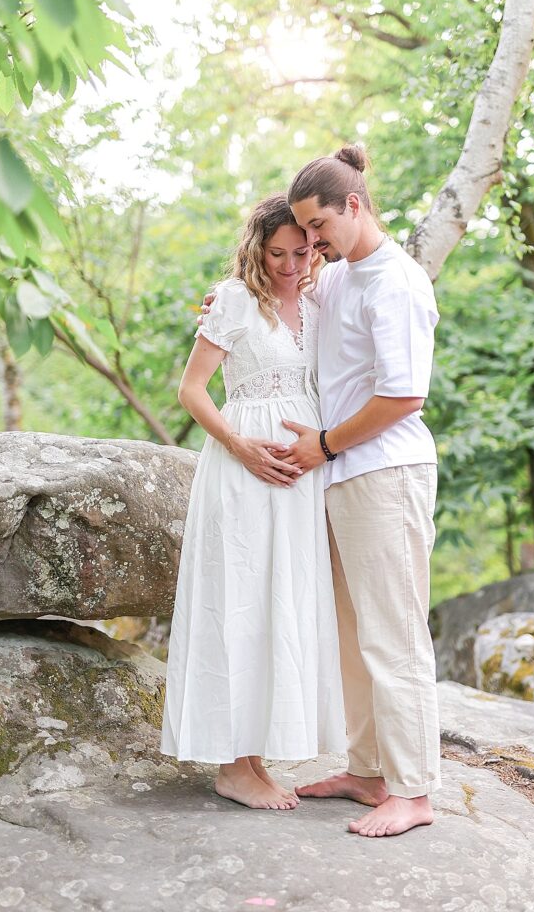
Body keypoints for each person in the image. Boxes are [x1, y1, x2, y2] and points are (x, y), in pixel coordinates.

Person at [160, 194, 346, 811]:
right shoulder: (235, 299)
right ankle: (233, 765)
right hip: (242, 467)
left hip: (300, 473)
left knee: (280, 601)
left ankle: (256, 757)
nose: (291, 265)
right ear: (255, 249)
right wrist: (241, 446)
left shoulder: (320, 298)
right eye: (277, 253)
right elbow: (192, 390)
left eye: (303, 251)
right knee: (239, 597)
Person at [279, 144, 441, 838]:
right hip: (342, 477)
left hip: (383, 473)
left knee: (392, 636)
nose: (312, 244)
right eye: (303, 233)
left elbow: (403, 395)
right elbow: (286, 304)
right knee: (350, 637)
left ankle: (414, 790)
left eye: (320, 228)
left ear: (355, 205)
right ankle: (367, 770)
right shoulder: (340, 277)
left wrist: (320, 444)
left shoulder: (393, 283)